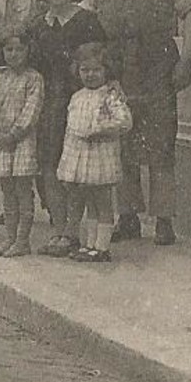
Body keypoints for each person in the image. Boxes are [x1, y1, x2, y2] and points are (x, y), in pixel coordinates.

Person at [89, 0, 191, 247]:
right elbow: (90, 18)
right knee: (120, 140)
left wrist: (186, 59)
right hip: (116, 66)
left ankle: (164, 220)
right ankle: (128, 216)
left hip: (156, 63)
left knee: (160, 141)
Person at [30, 0, 106, 256]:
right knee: (49, 164)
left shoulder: (87, 21)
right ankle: (58, 228)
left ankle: (73, 231)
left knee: (74, 168)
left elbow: (98, 62)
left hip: (78, 100)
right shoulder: (37, 25)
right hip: (48, 101)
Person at [57, 41, 132, 263]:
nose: (90, 75)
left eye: (96, 70)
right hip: (82, 159)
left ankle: (102, 247)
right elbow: (72, 129)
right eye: (84, 70)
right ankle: (89, 244)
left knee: (103, 202)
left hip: (101, 156)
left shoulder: (110, 95)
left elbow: (124, 121)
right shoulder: (77, 96)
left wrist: (100, 130)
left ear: (106, 70)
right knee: (90, 201)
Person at [0, 26, 44, 257]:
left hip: (22, 141)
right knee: (6, 190)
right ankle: (9, 238)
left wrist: (15, 134)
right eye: (9, 49)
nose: (14, 54)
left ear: (28, 51)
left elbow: (32, 109)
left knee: (22, 189)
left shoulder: (33, 78)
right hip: (0, 140)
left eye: (19, 49)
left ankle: (22, 240)